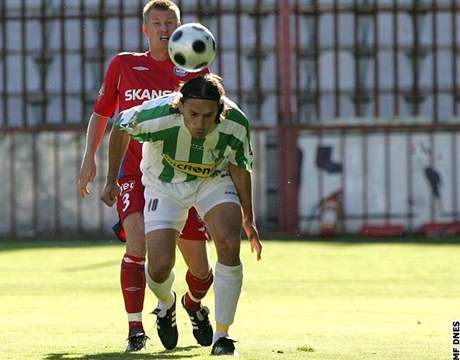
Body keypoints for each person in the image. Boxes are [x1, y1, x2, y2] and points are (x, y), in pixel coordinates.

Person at [78, 0, 214, 352]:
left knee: (201, 271)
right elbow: (103, 113)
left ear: (181, 28)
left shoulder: (195, 72)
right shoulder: (124, 64)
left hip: (183, 176)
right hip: (135, 174)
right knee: (136, 243)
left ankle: (191, 305)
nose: (164, 28)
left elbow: (210, 121)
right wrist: (90, 157)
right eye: (157, 22)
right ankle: (135, 329)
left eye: (171, 22)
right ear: (145, 28)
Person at [114, 73, 263, 356]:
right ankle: (167, 302)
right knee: (158, 267)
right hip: (163, 185)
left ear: (220, 111)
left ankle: (223, 337)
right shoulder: (156, 114)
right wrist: (110, 179)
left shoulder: (236, 123)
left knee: (229, 244)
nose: (199, 123)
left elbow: (240, 165)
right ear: (180, 105)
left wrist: (248, 217)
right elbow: (119, 125)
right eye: (193, 114)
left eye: (208, 116)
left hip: (212, 181)